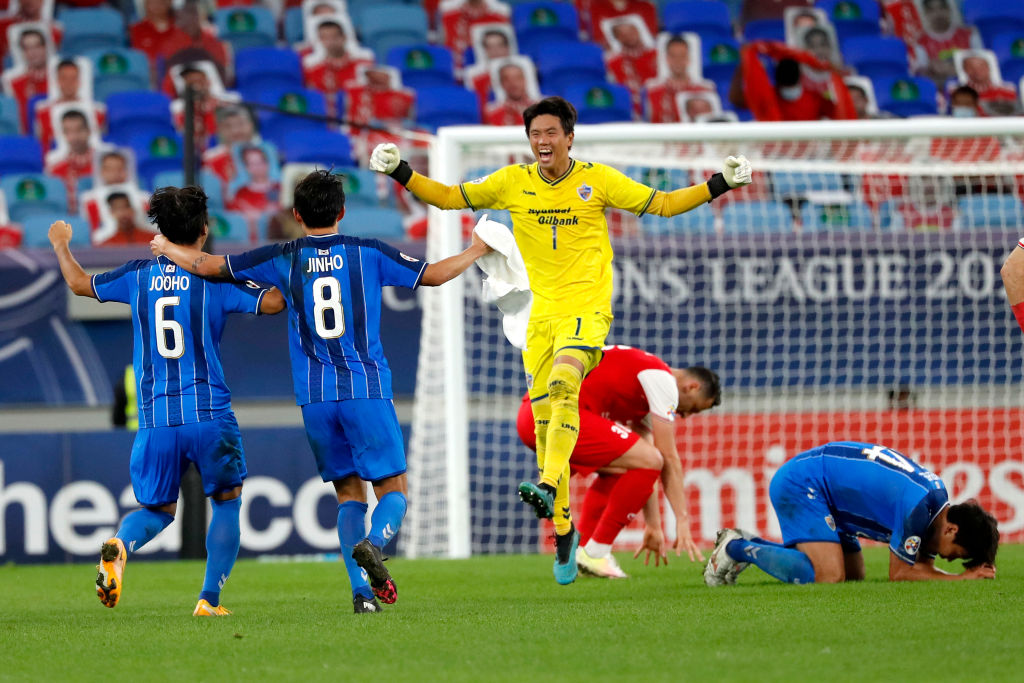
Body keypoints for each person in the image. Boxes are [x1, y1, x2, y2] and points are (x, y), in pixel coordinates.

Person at [369, 96, 752, 584]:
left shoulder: (598, 179)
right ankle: (566, 529)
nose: (543, 141)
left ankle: (550, 485)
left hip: (587, 312)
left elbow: (664, 205)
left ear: (569, 137)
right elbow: (447, 198)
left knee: (566, 386)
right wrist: (401, 170)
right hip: (540, 317)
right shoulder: (512, 182)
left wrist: (721, 183)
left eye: (552, 133)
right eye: (535, 134)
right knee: (550, 426)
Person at [149, 170, 492, 613]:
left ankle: (361, 594)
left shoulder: (283, 255)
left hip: (314, 400)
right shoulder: (367, 252)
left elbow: (211, 267)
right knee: (393, 491)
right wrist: (477, 249)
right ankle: (374, 543)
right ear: (342, 211)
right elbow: (436, 274)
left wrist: (167, 248)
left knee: (349, 495)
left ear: (296, 215)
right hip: (364, 389)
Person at [47, 186, 286, 614]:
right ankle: (208, 601)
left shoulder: (137, 276)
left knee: (156, 510)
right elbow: (273, 303)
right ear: (204, 230)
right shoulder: (214, 277)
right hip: (209, 414)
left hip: (156, 419)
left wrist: (62, 244)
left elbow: (78, 283)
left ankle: (121, 546)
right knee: (227, 501)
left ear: (161, 229)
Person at [516, 346, 719, 578]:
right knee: (651, 458)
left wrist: (653, 525)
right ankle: (597, 551)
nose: (685, 416)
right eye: (692, 409)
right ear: (693, 387)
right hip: (559, 417)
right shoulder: (663, 380)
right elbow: (668, 457)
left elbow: (646, 465)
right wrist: (682, 520)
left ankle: (583, 551)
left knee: (629, 465)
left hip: (532, 415)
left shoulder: (643, 384)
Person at [704, 441, 999, 585]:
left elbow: (920, 568)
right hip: (805, 482)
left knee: (854, 575)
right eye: (956, 554)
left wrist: (961, 574)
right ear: (951, 530)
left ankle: (745, 540)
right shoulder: (919, 509)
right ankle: (735, 548)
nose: (950, 559)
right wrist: (960, 579)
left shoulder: (935, 503)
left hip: (833, 497)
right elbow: (900, 573)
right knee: (828, 575)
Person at [731, 41, 856, 121]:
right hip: (774, 152)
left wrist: (835, 75)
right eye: (784, 72)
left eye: (791, 71)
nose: (788, 74)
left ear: (800, 75)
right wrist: (745, 62)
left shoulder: (815, 98)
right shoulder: (766, 96)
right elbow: (736, 100)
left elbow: (841, 113)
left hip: (807, 153)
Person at [302, 19, 374, 117]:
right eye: (324, 38)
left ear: (344, 37)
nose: (330, 41)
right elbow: (313, 102)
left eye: (334, 37)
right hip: (329, 120)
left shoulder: (364, 66)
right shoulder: (314, 71)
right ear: (320, 40)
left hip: (361, 118)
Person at [35, 58, 107, 151]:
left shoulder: (97, 111)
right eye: (64, 78)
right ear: (57, 80)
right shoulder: (42, 112)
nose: (69, 83)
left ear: (80, 81)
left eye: (73, 78)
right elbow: (42, 145)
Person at [644, 36, 714, 123]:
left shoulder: (704, 91)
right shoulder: (653, 92)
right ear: (667, 59)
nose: (678, 60)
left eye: (682, 56)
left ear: (688, 58)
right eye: (673, 56)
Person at [44, 108, 97, 211]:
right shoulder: (56, 170)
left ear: (89, 131)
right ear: (63, 135)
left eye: (79, 130)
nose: (74, 136)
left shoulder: (104, 164)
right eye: (68, 132)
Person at [3, 27, 51, 131]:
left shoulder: (60, 78)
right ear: (23, 52)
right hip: (27, 139)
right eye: (27, 48)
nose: (33, 52)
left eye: (37, 46)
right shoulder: (13, 82)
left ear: (45, 48)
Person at [484, 59, 539, 125]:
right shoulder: (492, 112)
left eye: (517, 78)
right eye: (507, 79)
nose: (513, 83)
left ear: (525, 80)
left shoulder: (542, 109)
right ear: (501, 83)